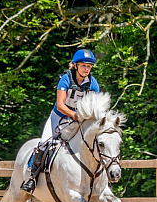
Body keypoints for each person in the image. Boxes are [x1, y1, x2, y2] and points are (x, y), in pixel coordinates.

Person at [20, 49, 100, 193]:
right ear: (75, 66)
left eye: (89, 66)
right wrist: (75, 115)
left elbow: (95, 106)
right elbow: (61, 104)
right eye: (83, 66)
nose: (86, 69)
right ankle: (32, 178)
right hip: (59, 116)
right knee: (44, 143)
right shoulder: (66, 79)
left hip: (79, 120)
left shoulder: (93, 83)